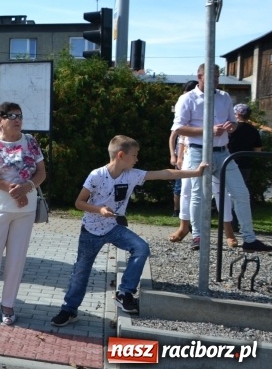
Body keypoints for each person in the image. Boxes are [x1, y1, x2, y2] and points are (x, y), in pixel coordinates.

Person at [50, 135, 208, 327]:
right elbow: (79, 203)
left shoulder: (132, 174)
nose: (137, 159)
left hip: (115, 227)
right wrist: (99, 210)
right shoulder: (96, 175)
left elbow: (164, 174)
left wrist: (196, 172)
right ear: (121, 155)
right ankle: (69, 310)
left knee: (141, 248)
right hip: (90, 231)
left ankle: (124, 293)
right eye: (134, 155)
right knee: (81, 272)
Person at [171, 64, 272, 252]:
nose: (216, 80)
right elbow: (178, 128)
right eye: (212, 77)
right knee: (197, 195)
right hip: (197, 151)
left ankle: (249, 239)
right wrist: (208, 130)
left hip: (223, 152)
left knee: (241, 193)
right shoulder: (187, 99)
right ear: (199, 76)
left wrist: (231, 127)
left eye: (217, 77)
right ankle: (198, 237)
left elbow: (232, 122)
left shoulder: (224, 97)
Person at [0, 102, 46, 325]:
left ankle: (8, 303)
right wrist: (14, 190)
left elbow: (41, 172)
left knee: (17, 257)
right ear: (0, 120)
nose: (17, 120)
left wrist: (27, 187)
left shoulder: (30, 141)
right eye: (12, 116)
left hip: (25, 209)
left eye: (20, 116)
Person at [168, 80, 197, 243]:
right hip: (185, 155)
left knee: (198, 192)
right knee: (183, 189)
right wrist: (175, 156)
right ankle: (183, 223)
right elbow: (177, 136)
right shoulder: (184, 105)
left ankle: (195, 226)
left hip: (195, 152)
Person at [228, 103, 262, 192]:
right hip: (245, 165)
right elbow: (257, 151)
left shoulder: (230, 128)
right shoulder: (254, 131)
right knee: (240, 189)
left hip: (228, 162)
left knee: (225, 189)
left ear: (238, 115)